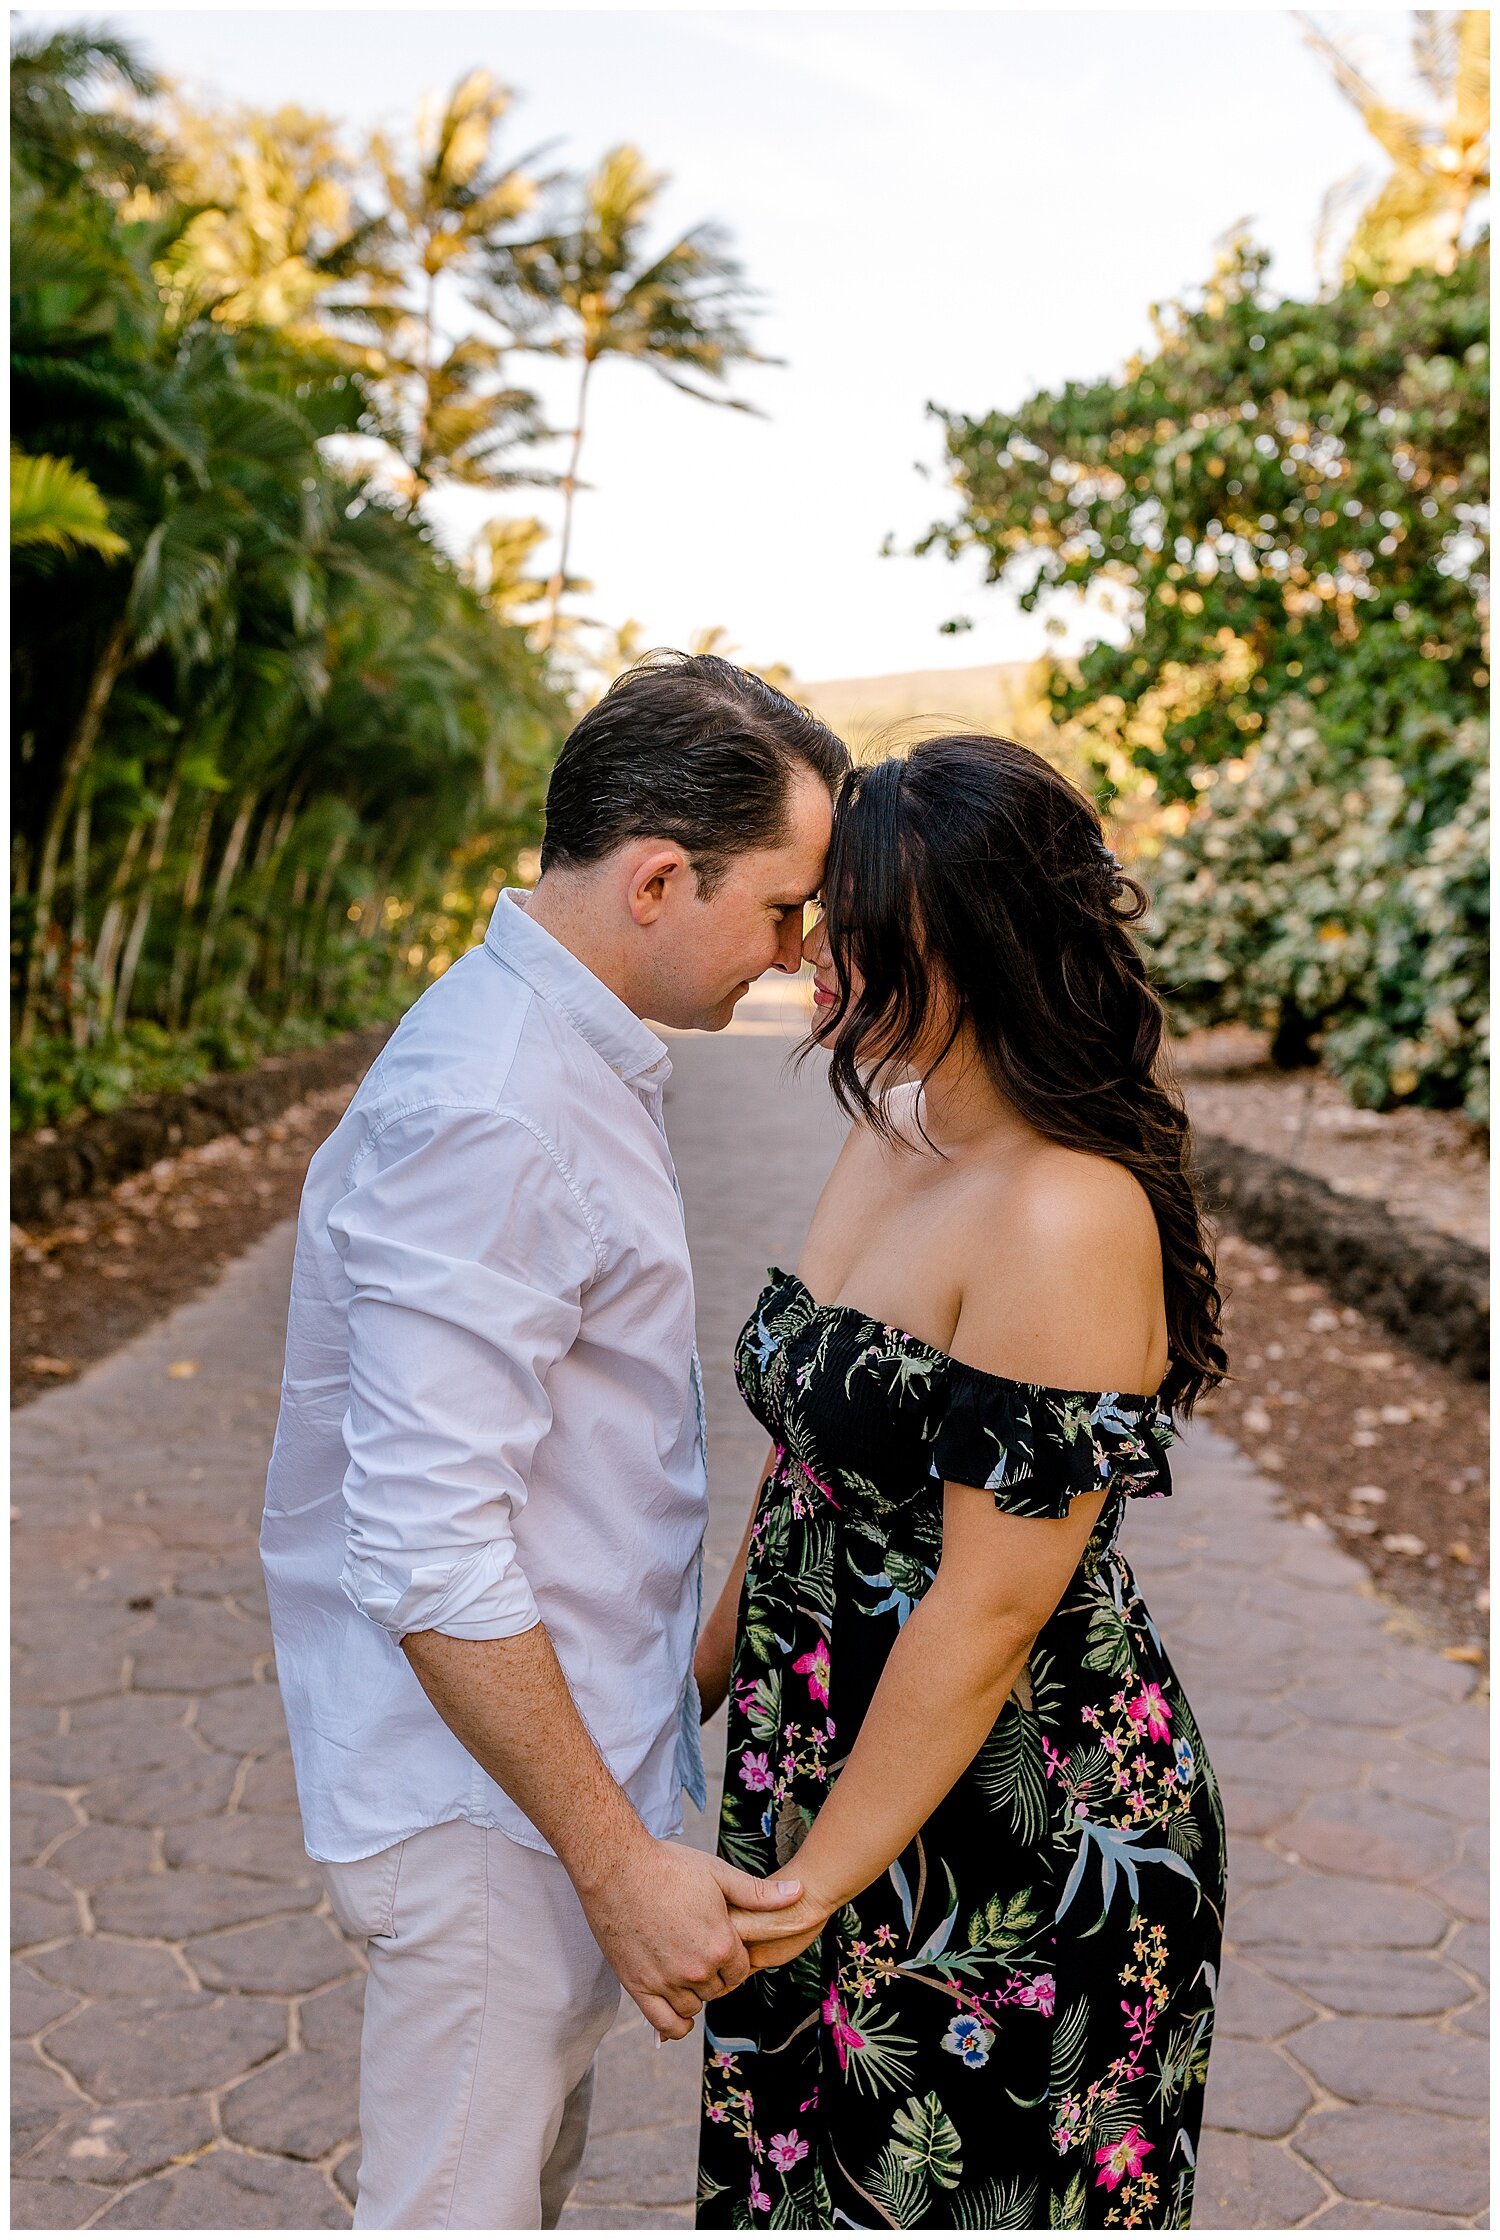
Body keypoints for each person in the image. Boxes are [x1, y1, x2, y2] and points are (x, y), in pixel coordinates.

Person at [261, 652, 850, 2230]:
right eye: (787, 910)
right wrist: (617, 1862)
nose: (798, 953)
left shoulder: (569, 1058)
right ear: (663, 877)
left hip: (544, 1780)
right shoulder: (494, 1107)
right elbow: (428, 1548)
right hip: (488, 1827)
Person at [694, 735, 1228, 2232]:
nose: (822, 982)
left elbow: (987, 1616)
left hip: (1009, 1836)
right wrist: (694, 1673)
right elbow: (802, 1466)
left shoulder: (1069, 1215)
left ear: (977, 947)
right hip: (824, 1775)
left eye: (862, 949)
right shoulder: (889, 1130)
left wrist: (806, 1889)